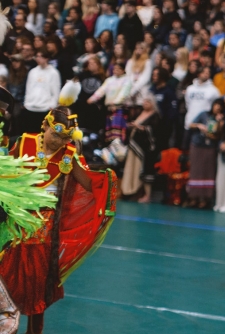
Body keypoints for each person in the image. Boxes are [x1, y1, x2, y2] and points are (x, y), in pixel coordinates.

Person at [0, 101, 116, 334]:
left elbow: (88, 182)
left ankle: (34, 330)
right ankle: (7, 320)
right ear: (46, 126)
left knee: (38, 279)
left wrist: (107, 183)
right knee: (8, 269)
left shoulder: (69, 155)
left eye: (66, 138)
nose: (61, 142)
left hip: (46, 224)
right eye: (57, 135)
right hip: (17, 216)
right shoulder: (23, 142)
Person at [122, 92, 161, 203]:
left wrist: (141, 127)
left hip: (145, 148)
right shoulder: (140, 112)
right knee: (132, 169)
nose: (145, 103)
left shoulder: (155, 116)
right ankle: (131, 191)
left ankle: (146, 194)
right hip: (134, 146)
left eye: (148, 101)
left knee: (144, 171)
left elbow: (155, 132)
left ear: (152, 103)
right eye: (144, 101)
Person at [186, 99, 223, 209]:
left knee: (208, 172)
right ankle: (193, 197)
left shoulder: (221, 119)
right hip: (197, 145)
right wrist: (199, 126)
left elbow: (220, 135)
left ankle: (204, 199)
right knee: (196, 171)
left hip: (210, 146)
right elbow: (190, 124)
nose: (217, 108)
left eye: (220, 107)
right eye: (216, 105)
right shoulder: (203, 114)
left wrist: (220, 123)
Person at [21, 50, 61, 134]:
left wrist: (52, 105)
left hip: (44, 108)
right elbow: (28, 89)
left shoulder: (53, 73)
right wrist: (26, 102)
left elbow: (56, 91)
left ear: (47, 58)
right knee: (30, 133)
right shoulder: (32, 71)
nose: (38, 59)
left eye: (41, 56)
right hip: (31, 107)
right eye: (37, 56)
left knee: (42, 133)